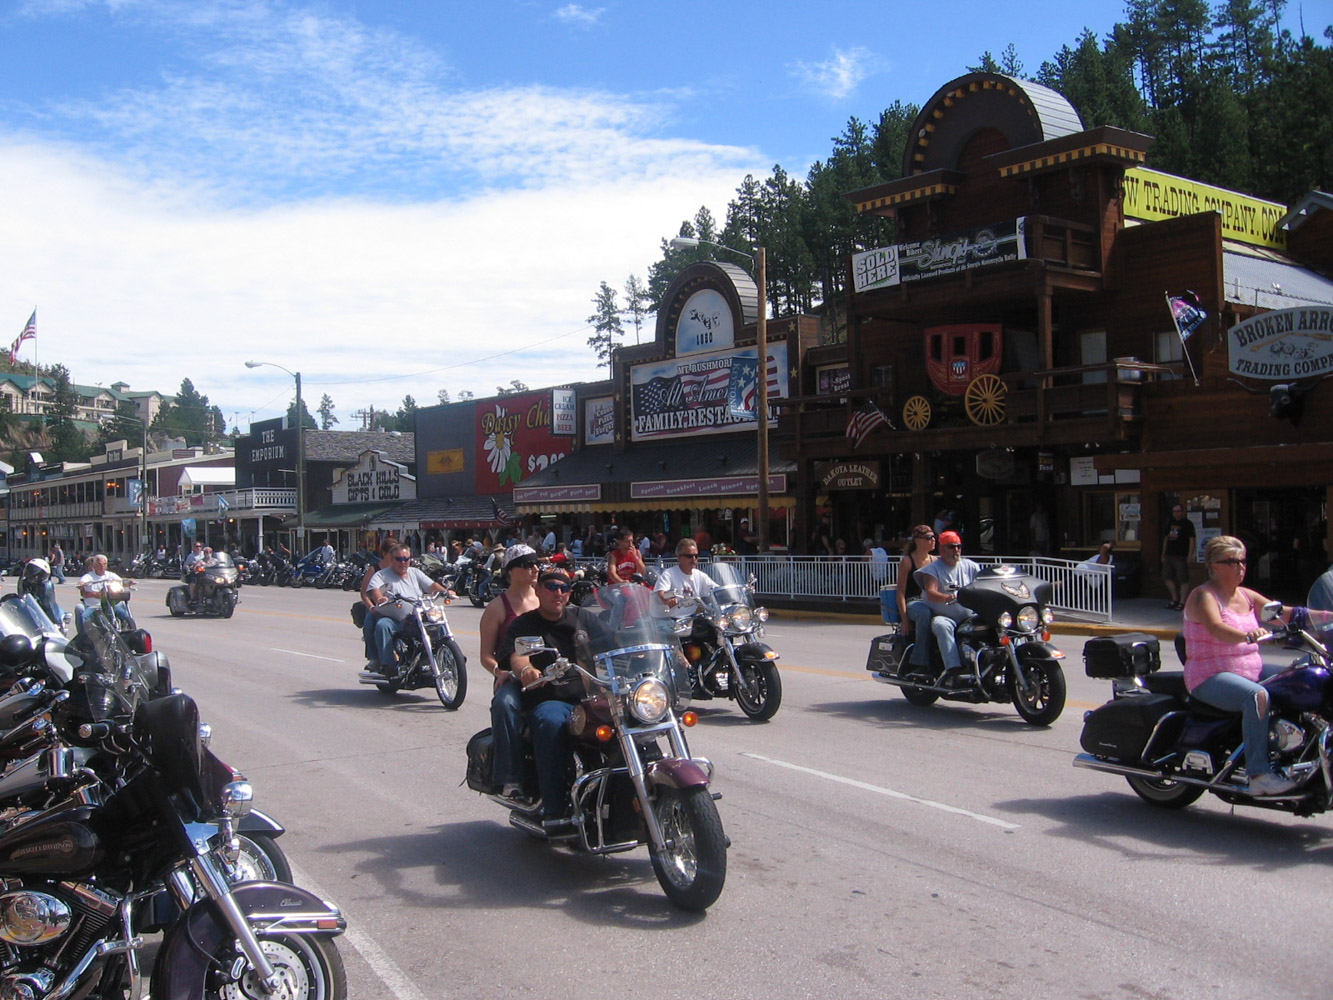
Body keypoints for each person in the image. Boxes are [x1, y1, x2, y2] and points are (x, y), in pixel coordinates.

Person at [1183, 536, 1333, 796]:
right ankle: (1259, 774)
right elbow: (1217, 628)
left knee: (1304, 675)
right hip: (1210, 675)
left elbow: (1289, 614)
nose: (1240, 566)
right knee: (1257, 696)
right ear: (1215, 565)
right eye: (1232, 561)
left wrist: (1327, 617)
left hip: (1249, 668)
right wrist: (1246, 636)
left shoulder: (1246, 595)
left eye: (1242, 560)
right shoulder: (1203, 596)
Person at [495, 568, 589, 829]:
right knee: (549, 723)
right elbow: (517, 654)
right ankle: (554, 809)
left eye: (563, 587)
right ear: (538, 590)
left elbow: (614, 641)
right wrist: (525, 670)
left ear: (569, 593)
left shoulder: (582, 618)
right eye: (550, 586)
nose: (557, 592)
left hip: (591, 698)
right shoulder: (524, 623)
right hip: (552, 698)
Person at [482, 545, 543, 801]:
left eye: (536, 563)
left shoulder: (546, 597)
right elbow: (486, 655)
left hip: (551, 674)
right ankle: (510, 779)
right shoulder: (497, 607)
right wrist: (499, 671)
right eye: (528, 565)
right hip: (514, 677)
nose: (535, 569)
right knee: (504, 705)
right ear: (511, 570)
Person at [367, 544, 453, 676]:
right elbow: (375, 589)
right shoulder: (381, 575)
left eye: (406, 559)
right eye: (399, 559)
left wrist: (446, 592)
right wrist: (379, 598)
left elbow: (431, 586)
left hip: (417, 615)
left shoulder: (415, 572)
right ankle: (388, 665)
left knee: (437, 622)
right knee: (382, 625)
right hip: (395, 618)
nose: (403, 563)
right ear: (392, 559)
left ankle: (450, 657)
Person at [905, 530, 980, 680]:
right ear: (942, 549)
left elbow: (983, 585)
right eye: (951, 547)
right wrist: (949, 597)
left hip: (969, 616)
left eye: (958, 546)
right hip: (944, 617)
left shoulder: (971, 566)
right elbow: (931, 592)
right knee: (941, 626)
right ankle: (953, 670)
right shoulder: (932, 570)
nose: (956, 550)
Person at [358, 537, 400, 668]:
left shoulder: (399, 568)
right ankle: (374, 658)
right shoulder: (374, 569)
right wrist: (371, 607)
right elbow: (364, 593)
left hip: (396, 605)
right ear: (384, 553)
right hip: (377, 607)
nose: (394, 556)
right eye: (391, 553)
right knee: (370, 624)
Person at [895, 526, 937, 630]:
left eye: (934, 537)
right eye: (928, 537)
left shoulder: (935, 561)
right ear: (917, 541)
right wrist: (904, 619)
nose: (933, 540)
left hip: (930, 601)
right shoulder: (907, 561)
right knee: (924, 613)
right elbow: (900, 593)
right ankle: (921, 647)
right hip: (913, 603)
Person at [654, 539, 718, 606]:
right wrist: (668, 600)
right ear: (679, 557)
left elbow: (715, 589)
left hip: (695, 615)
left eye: (696, 556)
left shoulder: (700, 575)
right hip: (675, 615)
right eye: (689, 556)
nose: (694, 559)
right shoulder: (669, 574)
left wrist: (726, 594)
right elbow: (662, 592)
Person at [77, 553, 131, 630]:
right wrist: (81, 584)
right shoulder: (88, 576)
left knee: (124, 613)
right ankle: (84, 636)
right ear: (95, 565)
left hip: (109, 605)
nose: (102, 566)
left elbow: (121, 581)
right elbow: (81, 583)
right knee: (84, 616)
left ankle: (128, 628)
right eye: (99, 564)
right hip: (94, 606)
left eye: (104, 564)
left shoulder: (110, 575)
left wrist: (129, 582)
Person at [1161, 502, 1195, 611]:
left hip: (1181, 555)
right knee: (1166, 577)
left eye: (1178, 511)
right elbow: (1166, 539)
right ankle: (1174, 598)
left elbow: (1192, 540)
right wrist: (1163, 553)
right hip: (1169, 554)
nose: (1176, 513)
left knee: (1183, 579)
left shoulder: (1187, 524)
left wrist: (1190, 554)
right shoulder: (1170, 523)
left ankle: (1182, 602)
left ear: (1183, 512)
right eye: (1174, 511)